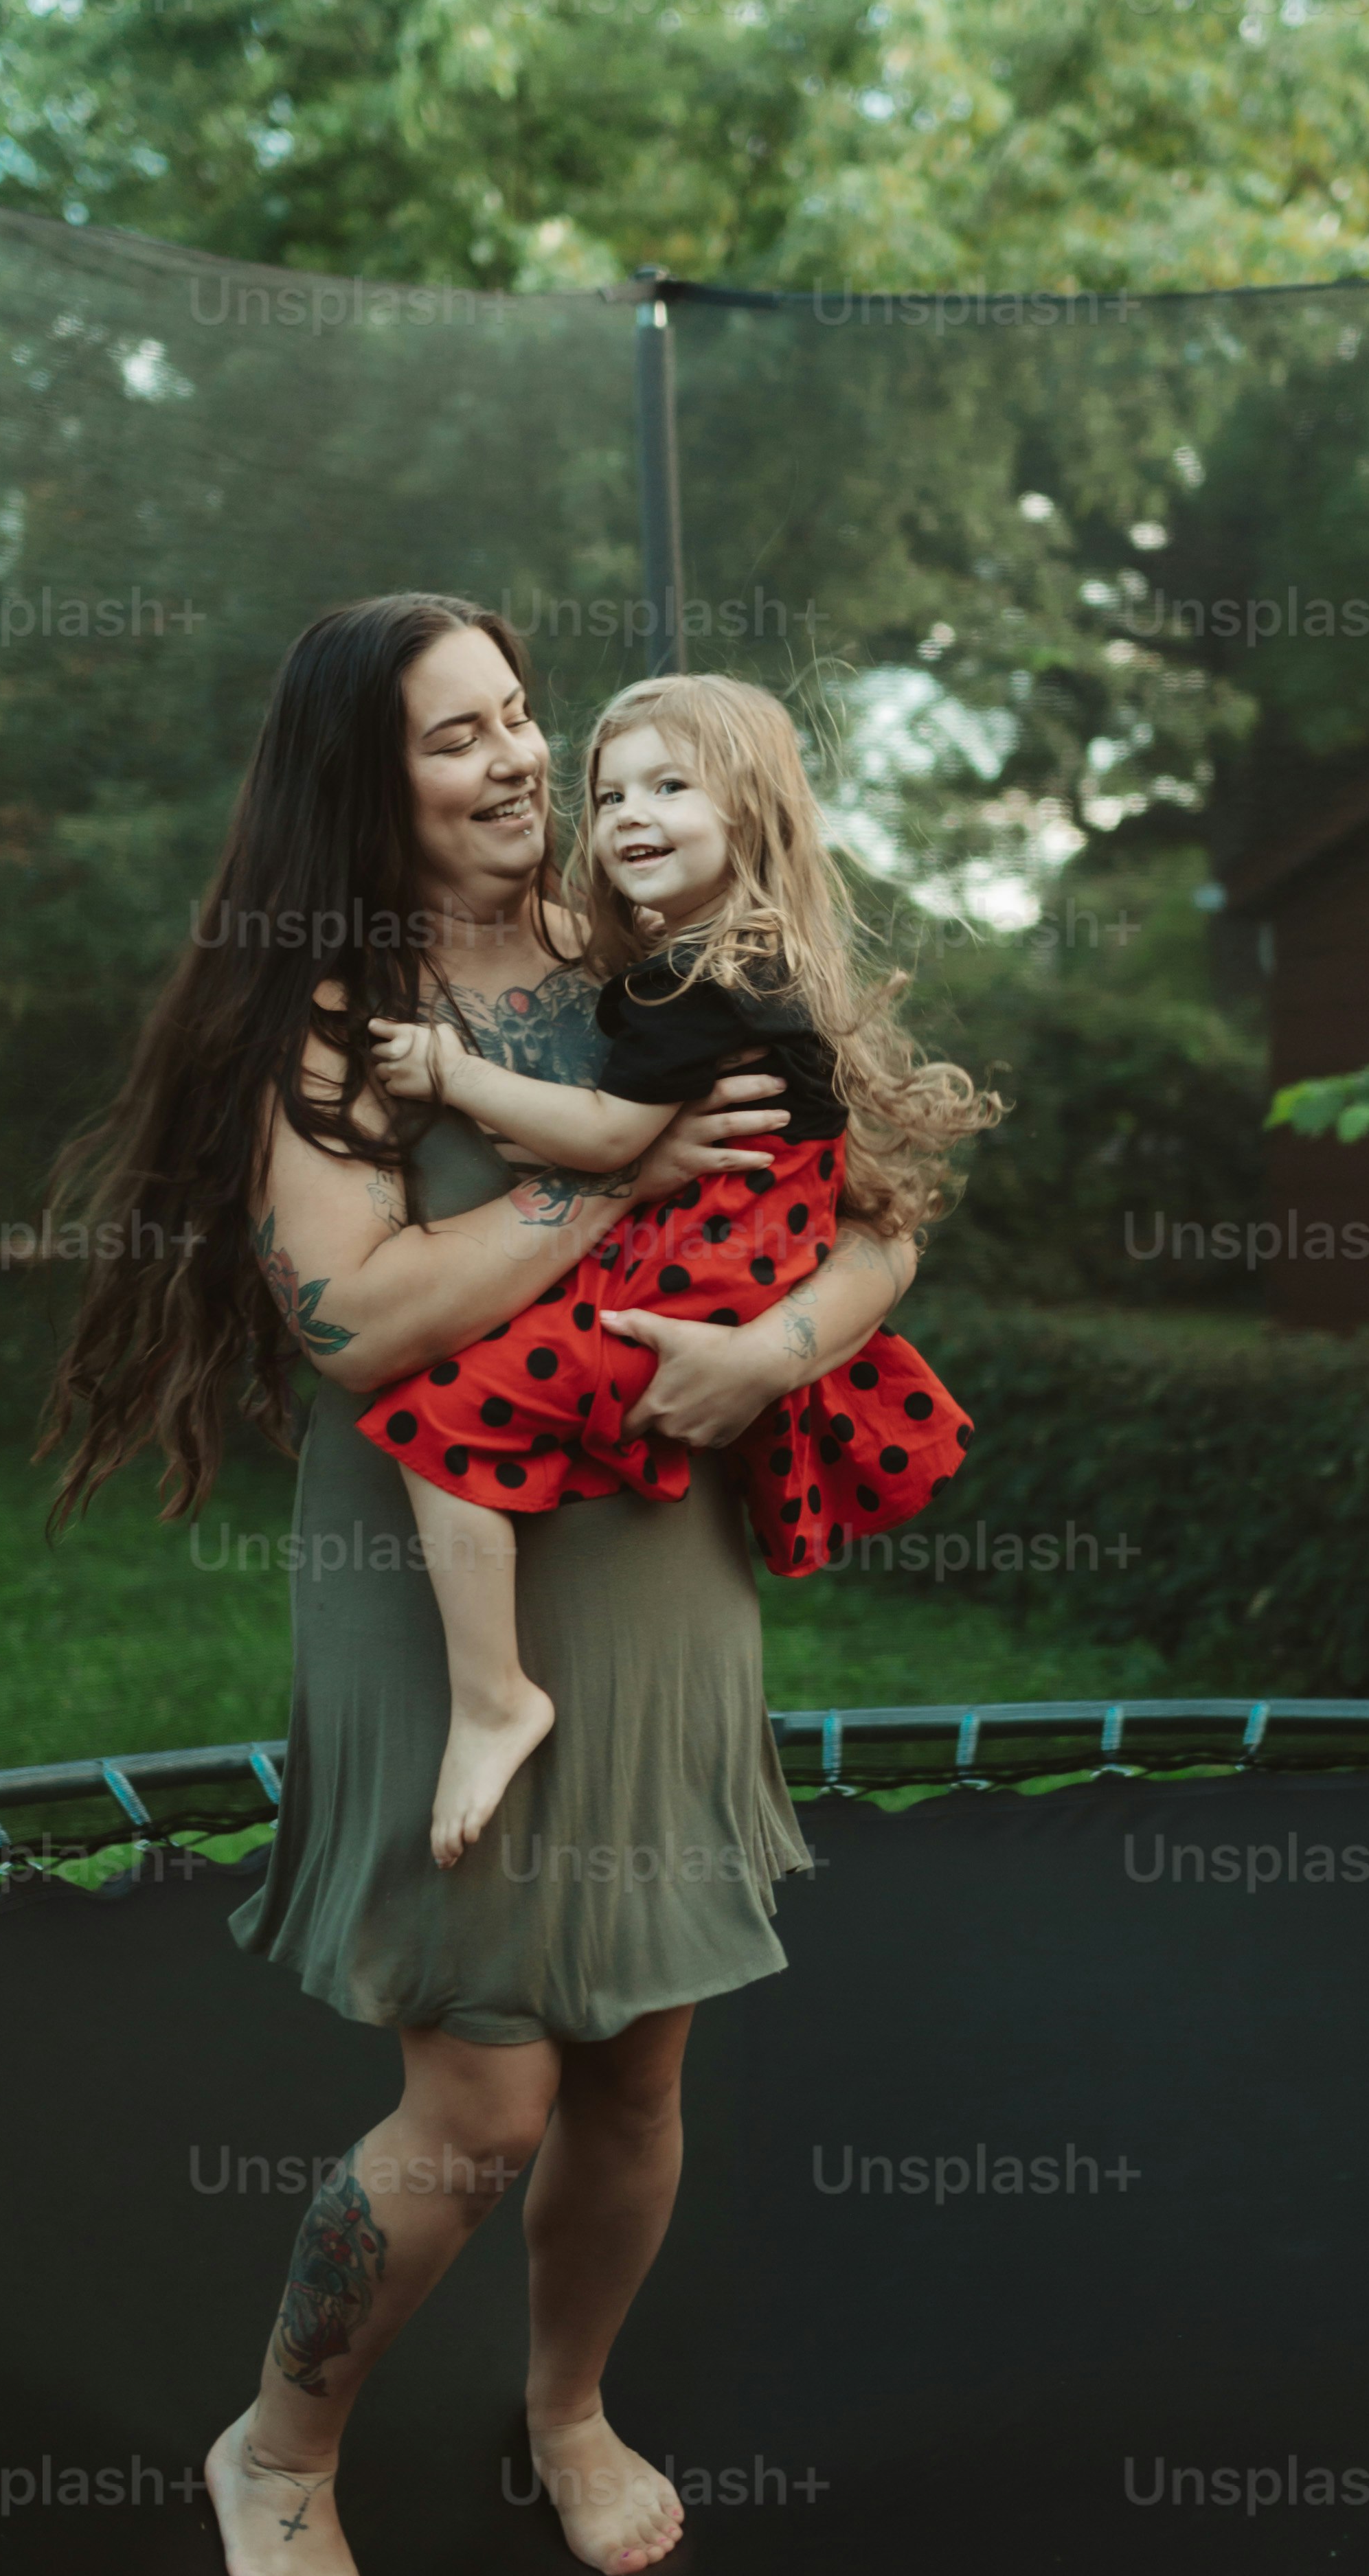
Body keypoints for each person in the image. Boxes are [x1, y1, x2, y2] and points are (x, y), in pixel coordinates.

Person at [41, 594, 928, 2576]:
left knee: (634, 2075)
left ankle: (566, 2411)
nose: (526, 761)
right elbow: (356, 1322)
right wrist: (616, 1182)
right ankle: (278, 2449)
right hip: (440, 1592)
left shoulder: (650, 932)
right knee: (486, 2094)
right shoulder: (338, 1010)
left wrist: (777, 1342)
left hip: (660, 1566)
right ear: (370, 781)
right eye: (465, 738)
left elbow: (873, 1215)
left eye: (527, 717)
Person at [361, 674, 993, 1867]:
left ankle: (496, 1698)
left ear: (751, 812)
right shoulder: (750, 957)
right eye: (607, 796)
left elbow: (607, 1137)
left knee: (437, 1419)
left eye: (668, 787)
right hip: (735, 1258)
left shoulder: (691, 979)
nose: (626, 816)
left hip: (709, 1275)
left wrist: (449, 1074)